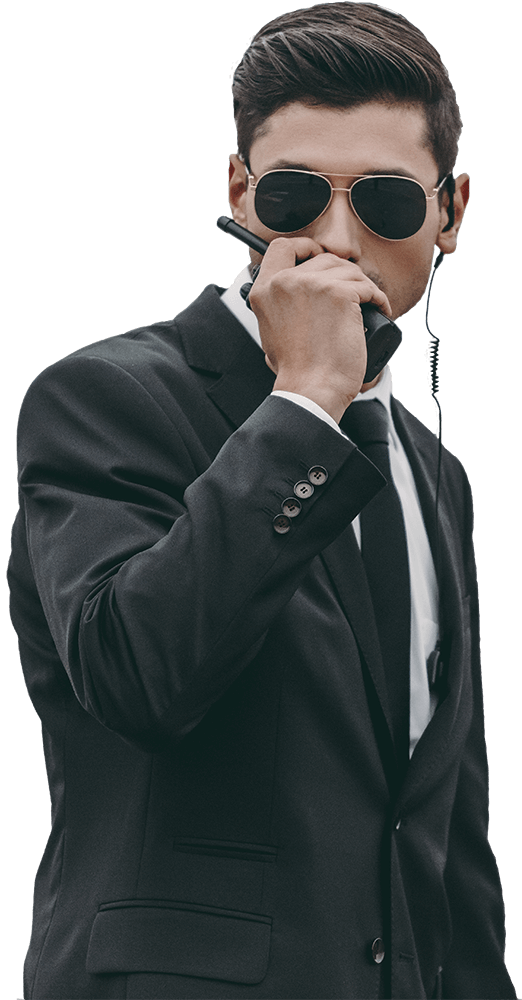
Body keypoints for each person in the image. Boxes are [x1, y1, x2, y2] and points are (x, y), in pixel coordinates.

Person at [8, 4, 516, 999]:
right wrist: (305, 400)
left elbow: (444, 825)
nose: (336, 237)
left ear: (451, 214)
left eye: (387, 201)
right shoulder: (104, 397)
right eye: (294, 194)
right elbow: (136, 675)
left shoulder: (433, 469)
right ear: (241, 193)